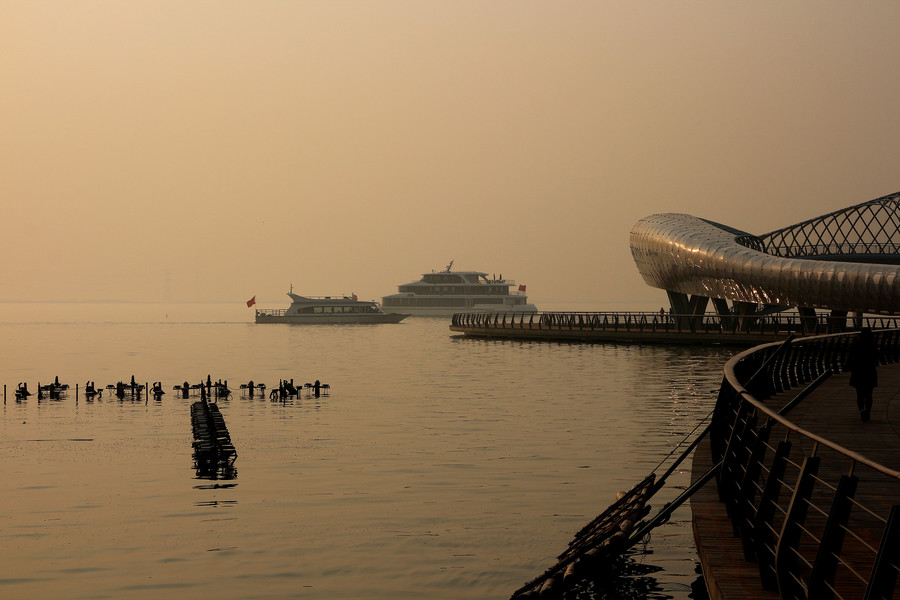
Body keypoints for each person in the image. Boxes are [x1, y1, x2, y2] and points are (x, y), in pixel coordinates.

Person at [846, 328, 878, 421]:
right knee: (869, 394)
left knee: (859, 394)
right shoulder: (873, 344)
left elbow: (851, 357)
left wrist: (848, 367)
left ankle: (861, 410)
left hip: (858, 372)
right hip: (870, 371)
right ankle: (868, 411)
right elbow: (876, 358)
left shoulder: (856, 344)